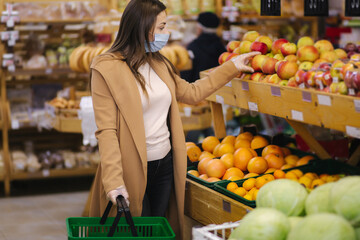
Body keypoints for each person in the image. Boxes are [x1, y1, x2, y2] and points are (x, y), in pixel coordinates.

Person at [88, 0, 259, 239]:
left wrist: (231, 67)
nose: (166, 33)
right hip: (130, 168)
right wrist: (114, 181)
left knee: (159, 228)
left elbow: (192, 92)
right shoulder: (106, 68)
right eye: (162, 27)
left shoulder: (159, 63)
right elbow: (106, 131)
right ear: (143, 28)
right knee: (137, 228)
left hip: (165, 164)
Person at [181, 12, 226, 83]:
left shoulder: (193, 46)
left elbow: (186, 73)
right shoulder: (221, 46)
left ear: (200, 28)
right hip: (218, 87)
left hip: (198, 88)